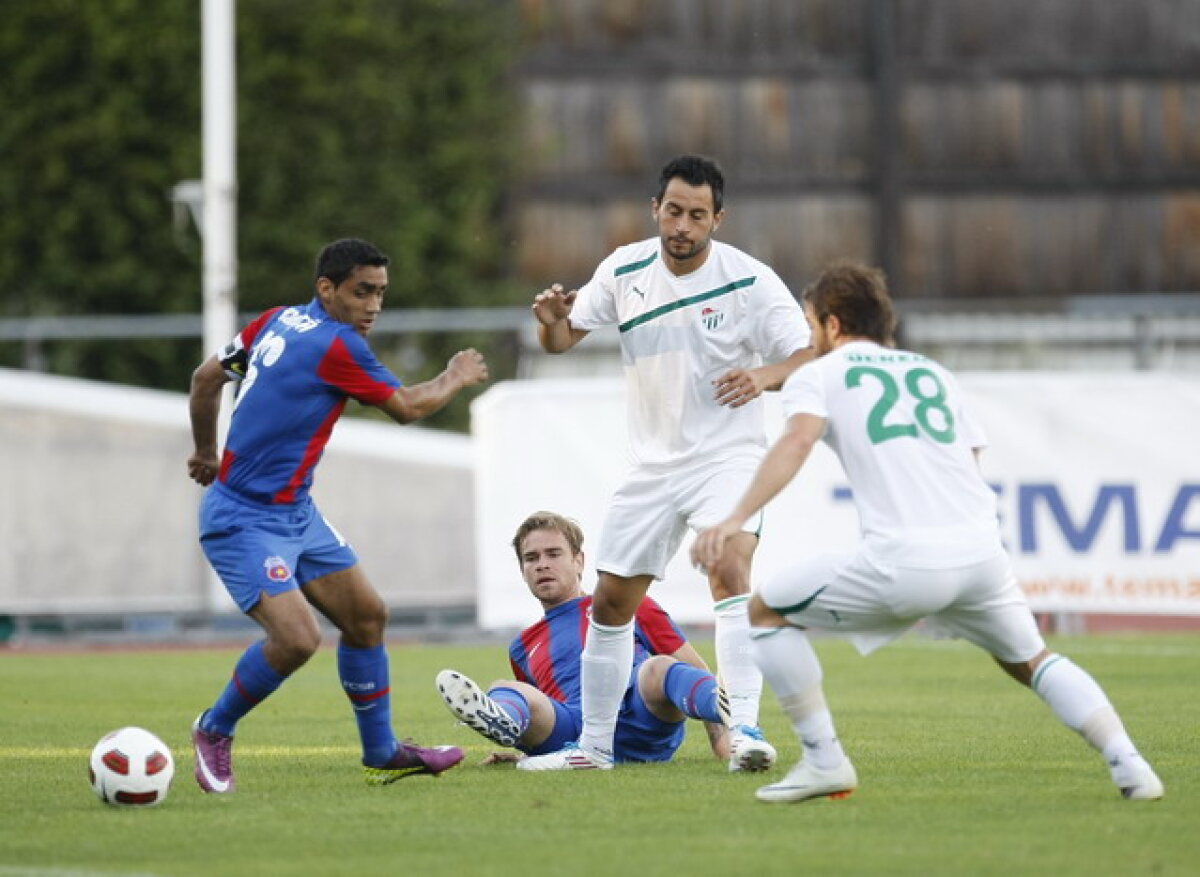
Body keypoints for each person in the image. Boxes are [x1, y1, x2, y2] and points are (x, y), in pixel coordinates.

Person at [690, 260, 1165, 803]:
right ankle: (1130, 763)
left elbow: (796, 444)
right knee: (1033, 662)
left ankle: (825, 761)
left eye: (811, 323)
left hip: (905, 560)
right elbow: (971, 459)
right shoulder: (933, 373)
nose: (809, 337)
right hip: (982, 555)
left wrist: (731, 520)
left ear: (834, 325)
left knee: (766, 612)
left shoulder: (818, 375)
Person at [521, 154, 812, 771]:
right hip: (652, 468)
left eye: (697, 215)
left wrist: (765, 375)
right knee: (610, 605)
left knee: (730, 566)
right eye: (673, 211)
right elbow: (563, 338)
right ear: (656, 208)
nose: (683, 225)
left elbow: (807, 355)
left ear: (718, 219)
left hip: (726, 458)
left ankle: (748, 731)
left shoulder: (750, 281)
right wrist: (550, 325)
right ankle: (594, 750)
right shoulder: (624, 269)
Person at [186, 237, 488, 791]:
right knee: (298, 639)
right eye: (361, 292)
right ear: (327, 289)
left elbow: (207, 379)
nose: (372, 305)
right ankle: (213, 727)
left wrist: (206, 450)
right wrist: (455, 375)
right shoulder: (338, 345)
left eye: (380, 294)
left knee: (367, 617)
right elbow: (407, 408)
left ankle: (381, 750)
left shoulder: (275, 321)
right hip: (242, 519)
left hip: (296, 514)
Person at [436, 511, 729, 766]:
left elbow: (694, 668)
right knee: (505, 688)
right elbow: (545, 709)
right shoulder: (521, 647)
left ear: (579, 561)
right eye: (531, 558)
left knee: (659, 668)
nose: (542, 565)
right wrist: (526, 755)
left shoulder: (629, 602)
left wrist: (721, 741)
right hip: (575, 731)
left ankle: (733, 714)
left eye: (554, 554)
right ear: (523, 571)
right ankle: (502, 720)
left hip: (639, 716)